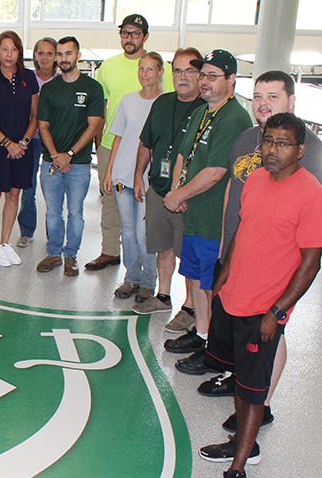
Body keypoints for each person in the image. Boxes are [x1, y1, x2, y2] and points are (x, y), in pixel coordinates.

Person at [198, 113, 322, 478]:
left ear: (300, 150)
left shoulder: (312, 195)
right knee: (240, 380)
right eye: (268, 141)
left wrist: (278, 311)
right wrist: (221, 281)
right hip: (234, 297)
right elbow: (242, 231)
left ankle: (237, 471)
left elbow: (311, 263)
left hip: (264, 311)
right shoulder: (254, 180)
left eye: (283, 143)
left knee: (254, 394)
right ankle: (243, 441)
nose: (272, 150)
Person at [194, 70, 322, 429]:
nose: (263, 103)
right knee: (241, 333)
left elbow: (306, 235)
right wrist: (226, 249)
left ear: (292, 102)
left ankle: (262, 403)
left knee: (269, 335)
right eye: (257, 96)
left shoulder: (309, 151)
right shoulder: (249, 138)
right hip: (242, 256)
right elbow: (233, 192)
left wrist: (281, 304)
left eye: (273, 96)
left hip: (275, 274)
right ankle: (242, 384)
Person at [162, 50, 253, 357]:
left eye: (213, 76)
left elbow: (216, 172)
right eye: (203, 75)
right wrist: (178, 190)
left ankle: (215, 346)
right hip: (194, 215)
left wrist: (179, 195)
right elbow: (182, 156)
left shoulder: (235, 118)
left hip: (216, 219)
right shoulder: (202, 112)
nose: (204, 82)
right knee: (195, 278)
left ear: (231, 80)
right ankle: (202, 334)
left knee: (211, 285)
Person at [87, 13, 174, 272]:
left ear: (145, 37)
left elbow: (168, 103)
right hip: (113, 144)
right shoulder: (108, 66)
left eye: (135, 33)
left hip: (149, 150)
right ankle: (110, 252)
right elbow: (100, 106)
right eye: (125, 33)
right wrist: (98, 140)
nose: (129, 38)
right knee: (110, 201)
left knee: (144, 216)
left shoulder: (162, 67)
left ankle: (147, 272)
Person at [130, 48, 205, 334]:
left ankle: (190, 307)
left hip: (188, 197)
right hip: (159, 189)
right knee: (163, 246)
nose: (183, 77)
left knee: (188, 255)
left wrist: (184, 192)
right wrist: (139, 175)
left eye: (190, 71)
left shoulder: (205, 109)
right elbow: (146, 143)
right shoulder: (162, 103)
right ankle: (163, 295)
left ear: (199, 75)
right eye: (178, 71)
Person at [35, 36, 105, 277]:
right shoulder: (49, 89)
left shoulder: (92, 88)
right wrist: (56, 155)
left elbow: (93, 125)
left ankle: (71, 256)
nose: (63, 58)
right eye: (60, 54)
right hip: (51, 163)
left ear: (78, 56)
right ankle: (54, 252)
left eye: (68, 54)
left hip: (80, 164)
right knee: (53, 212)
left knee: (75, 212)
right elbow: (42, 125)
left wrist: (70, 155)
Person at [104, 52, 163, 301]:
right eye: (141, 69)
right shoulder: (127, 101)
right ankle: (132, 278)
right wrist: (109, 172)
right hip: (122, 176)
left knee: (142, 233)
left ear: (161, 72)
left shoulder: (165, 103)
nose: (145, 74)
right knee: (127, 231)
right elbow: (118, 137)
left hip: (149, 179)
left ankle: (149, 281)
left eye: (150, 69)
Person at [0, 30, 38, 267]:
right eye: (4, 49)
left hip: (22, 148)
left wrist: (23, 143)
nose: (9, 54)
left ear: (20, 53)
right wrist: (7, 143)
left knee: (14, 194)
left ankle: (5, 243)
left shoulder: (29, 77)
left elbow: (35, 114)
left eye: (14, 49)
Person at [16, 36, 58, 249]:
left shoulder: (61, 80)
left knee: (53, 190)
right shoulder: (27, 78)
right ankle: (26, 231)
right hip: (31, 139)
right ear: (34, 55)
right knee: (28, 186)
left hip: (54, 141)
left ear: (56, 56)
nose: (45, 57)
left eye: (50, 53)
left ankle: (54, 234)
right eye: (40, 53)